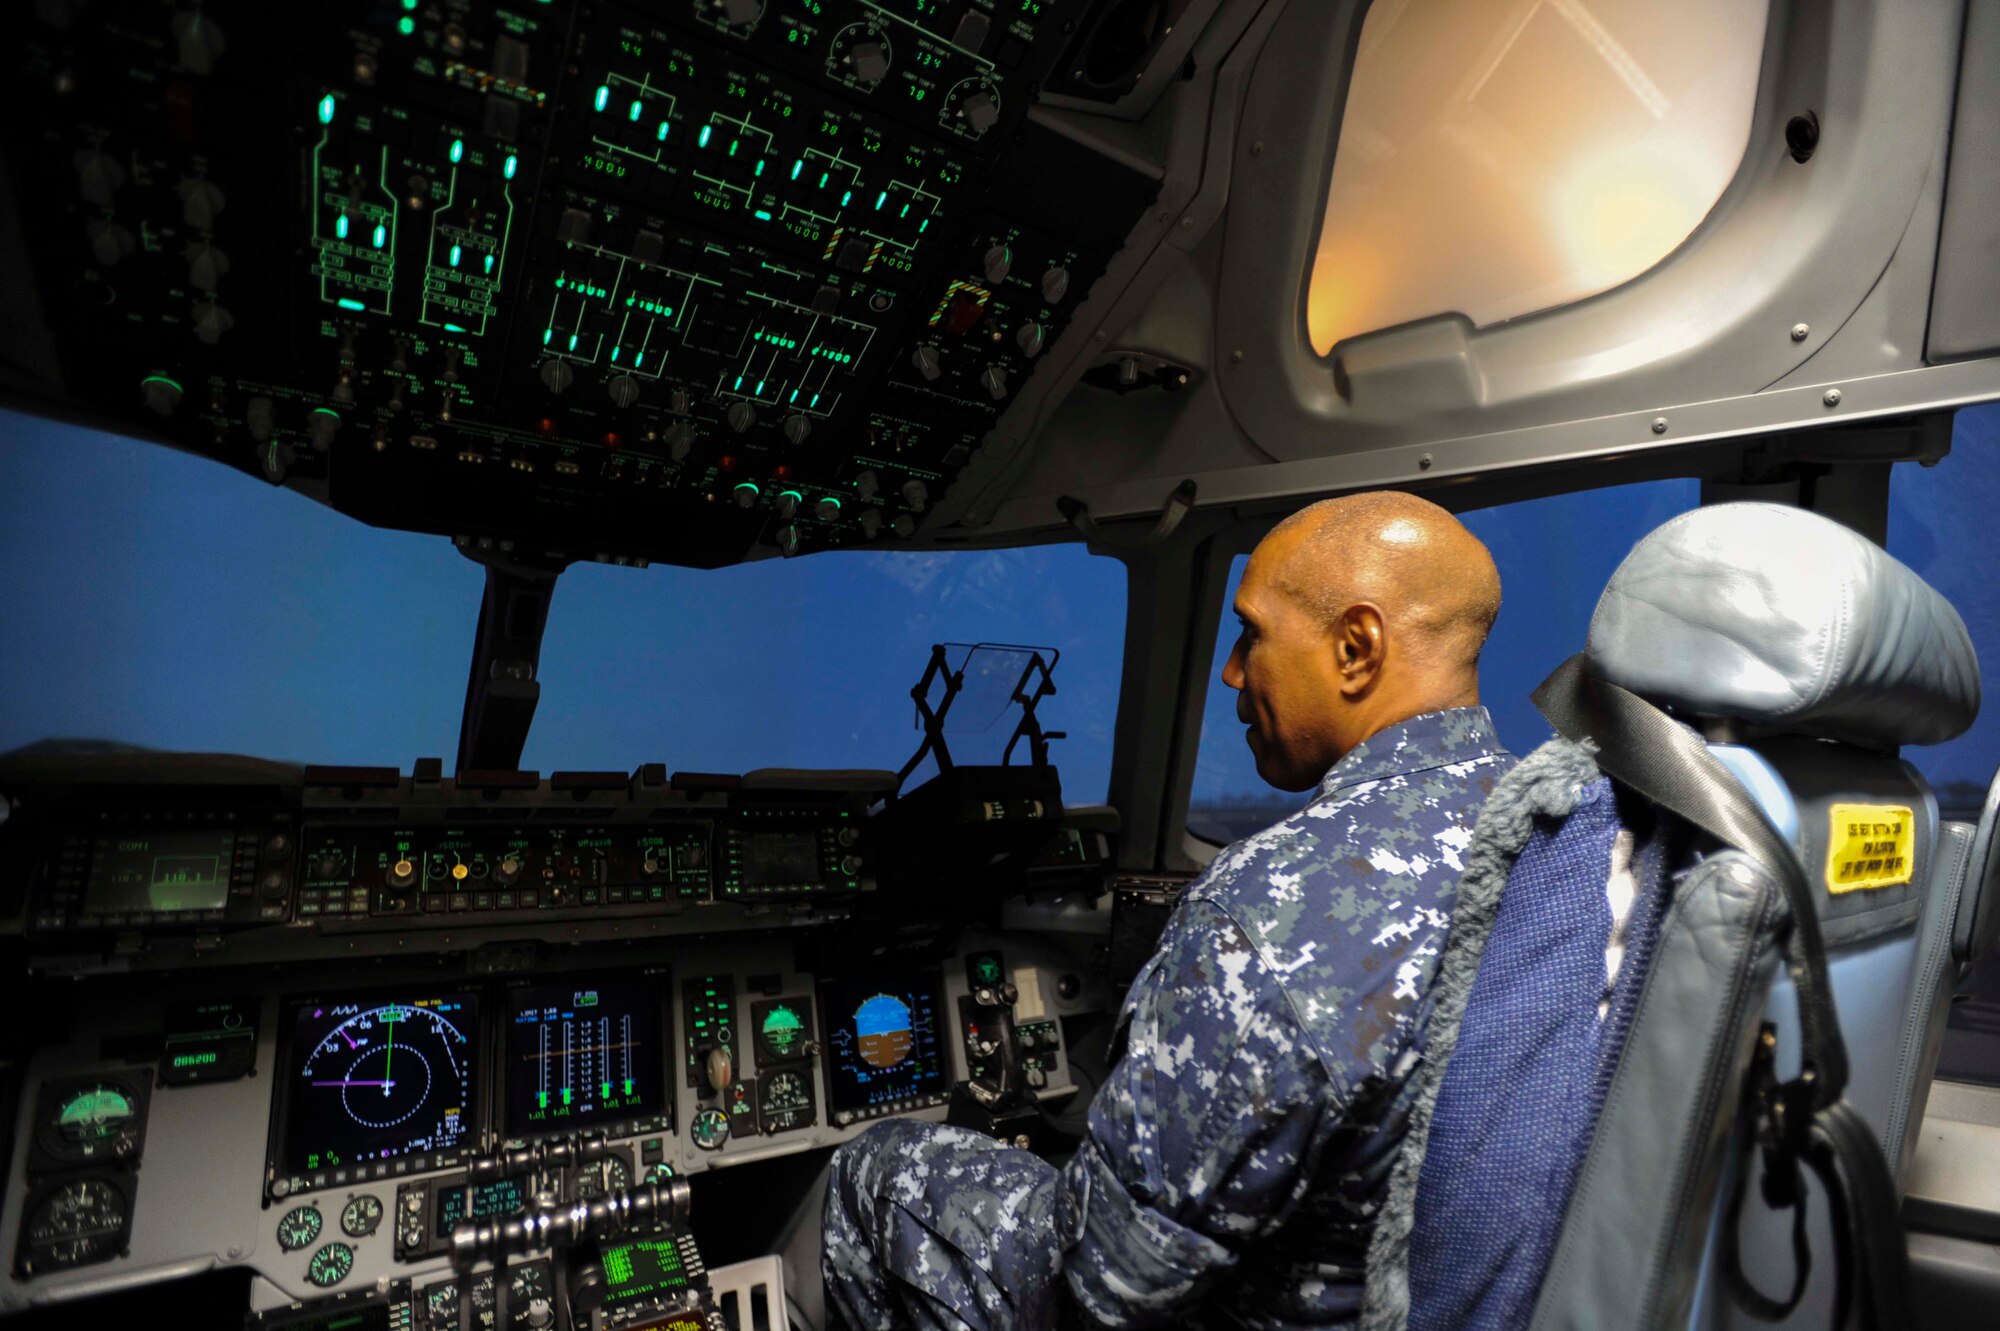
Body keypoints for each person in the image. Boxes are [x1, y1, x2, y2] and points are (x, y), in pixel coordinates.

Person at [823, 491, 1515, 1330]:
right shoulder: (1555, 842)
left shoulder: (1270, 912)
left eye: (1251, 633)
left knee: (875, 1167)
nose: (1231, 669)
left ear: (1355, 648)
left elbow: (1103, 1282)